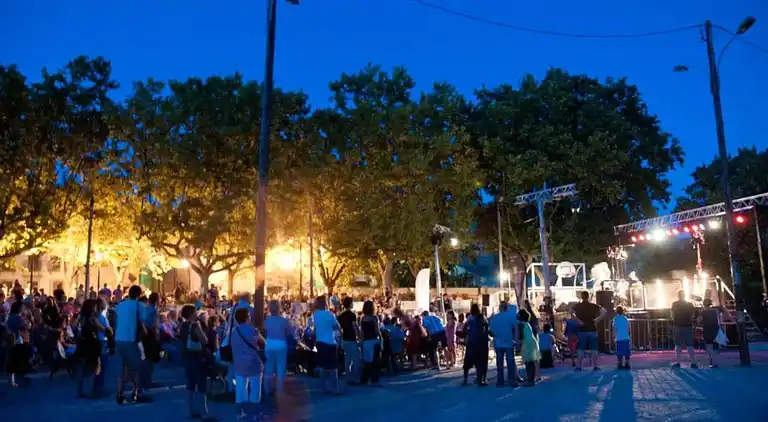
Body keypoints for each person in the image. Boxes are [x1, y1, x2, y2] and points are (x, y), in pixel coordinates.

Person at [114, 285, 151, 404]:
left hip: (119, 338)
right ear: (139, 295)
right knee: (136, 368)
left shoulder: (120, 305)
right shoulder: (139, 305)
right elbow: (143, 321)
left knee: (121, 368)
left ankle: (120, 394)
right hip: (131, 339)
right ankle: (136, 393)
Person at [179, 305, 214, 421]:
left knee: (190, 385)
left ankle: (190, 411)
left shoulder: (183, 326)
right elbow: (204, 340)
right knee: (201, 385)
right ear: (191, 314)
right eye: (195, 312)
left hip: (187, 358)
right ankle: (203, 412)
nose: (197, 314)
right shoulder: (195, 326)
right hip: (197, 358)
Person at [264, 299, 296, 399]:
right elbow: (290, 332)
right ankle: (279, 391)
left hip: (269, 344)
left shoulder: (266, 321)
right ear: (279, 308)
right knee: (280, 368)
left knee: (268, 368)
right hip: (281, 344)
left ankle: (266, 389)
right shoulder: (284, 321)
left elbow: (263, 332)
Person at [312, 295, 341, 395]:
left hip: (319, 341)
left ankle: (323, 387)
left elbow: (315, 328)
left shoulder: (315, 315)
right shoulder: (329, 314)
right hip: (330, 341)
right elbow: (337, 326)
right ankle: (334, 387)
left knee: (322, 366)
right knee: (332, 367)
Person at [572, 291, 606, 371]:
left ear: (581, 297)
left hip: (581, 330)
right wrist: (597, 319)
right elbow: (604, 311)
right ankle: (595, 366)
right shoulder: (593, 306)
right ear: (588, 297)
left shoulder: (577, 306)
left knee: (581, 348)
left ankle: (578, 366)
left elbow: (570, 311)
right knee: (594, 348)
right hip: (592, 329)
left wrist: (578, 320)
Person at [489, 301, 518, 387]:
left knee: (499, 363)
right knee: (510, 362)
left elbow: (491, 331)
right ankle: (511, 380)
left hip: (498, 343)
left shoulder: (494, 318)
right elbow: (515, 327)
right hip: (508, 342)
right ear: (506, 308)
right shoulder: (510, 317)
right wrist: (516, 340)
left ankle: (500, 381)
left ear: (499, 308)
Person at [462, 304, 489, 387]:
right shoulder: (482, 317)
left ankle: (465, 380)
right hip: (481, 342)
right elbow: (487, 327)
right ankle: (481, 380)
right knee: (481, 362)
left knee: (468, 362)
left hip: (471, 343)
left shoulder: (470, 318)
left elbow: (464, 328)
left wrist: (468, 333)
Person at [337, 296, 361, 385]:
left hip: (344, 339)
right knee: (356, 359)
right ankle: (355, 378)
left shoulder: (340, 316)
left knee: (347, 359)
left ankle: (348, 378)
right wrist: (359, 336)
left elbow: (339, 329)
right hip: (352, 338)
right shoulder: (352, 315)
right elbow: (355, 327)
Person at [671, 290, 698, 368]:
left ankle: (678, 362)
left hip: (677, 326)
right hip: (688, 326)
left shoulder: (675, 304)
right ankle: (693, 362)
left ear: (678, 296)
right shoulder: (689, 304)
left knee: (678, 345)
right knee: (689, 345)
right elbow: (693, 315)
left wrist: (675, 320)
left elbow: (672, 315)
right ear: (684, 296)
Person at [359, 300, 382, 386]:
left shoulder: (362, 318)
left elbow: (362, 332)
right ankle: (374, 379)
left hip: (366, 341)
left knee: (367, 361)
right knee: (375, 360)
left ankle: (365, 378)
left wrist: (361, 341)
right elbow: (377, 330)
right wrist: (381, 338)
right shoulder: (374, 318)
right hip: (373, 340)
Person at [518, 309, 540, 387]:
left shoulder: (521, 324)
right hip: (532, 343)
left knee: (528, 363)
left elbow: (521, 336)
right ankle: (531, 379)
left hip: (527, 344)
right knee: (531, 362)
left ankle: (530, 380)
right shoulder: (527, 323)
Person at [699, 298, 722, 368]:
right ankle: (713, 361)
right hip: (715, 330)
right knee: (715, 347)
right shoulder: (715, 311)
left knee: (709, 347)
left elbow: (699, 320)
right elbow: (719, 320)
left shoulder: (703, 312)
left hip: (707, 330)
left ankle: (713, 361)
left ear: (704, 304)